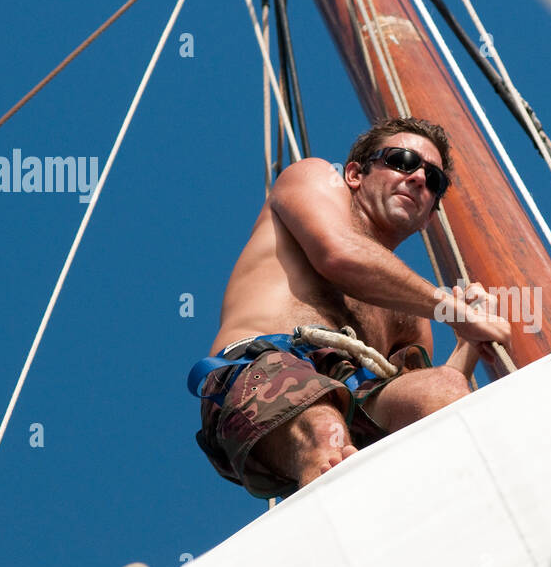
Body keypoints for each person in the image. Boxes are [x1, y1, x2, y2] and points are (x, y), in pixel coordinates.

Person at [191, 116, 512, 501]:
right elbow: (338, 255)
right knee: (327, 436)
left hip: (357, 403)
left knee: (442, 388)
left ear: (429, 218)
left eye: (434, 180)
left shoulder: (408, 314)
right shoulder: (313, 178)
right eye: (403, 160)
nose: (418, 179)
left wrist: (467, 345)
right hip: (263, 374)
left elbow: (413, 414)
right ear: (356, 173)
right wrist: (456, 311)